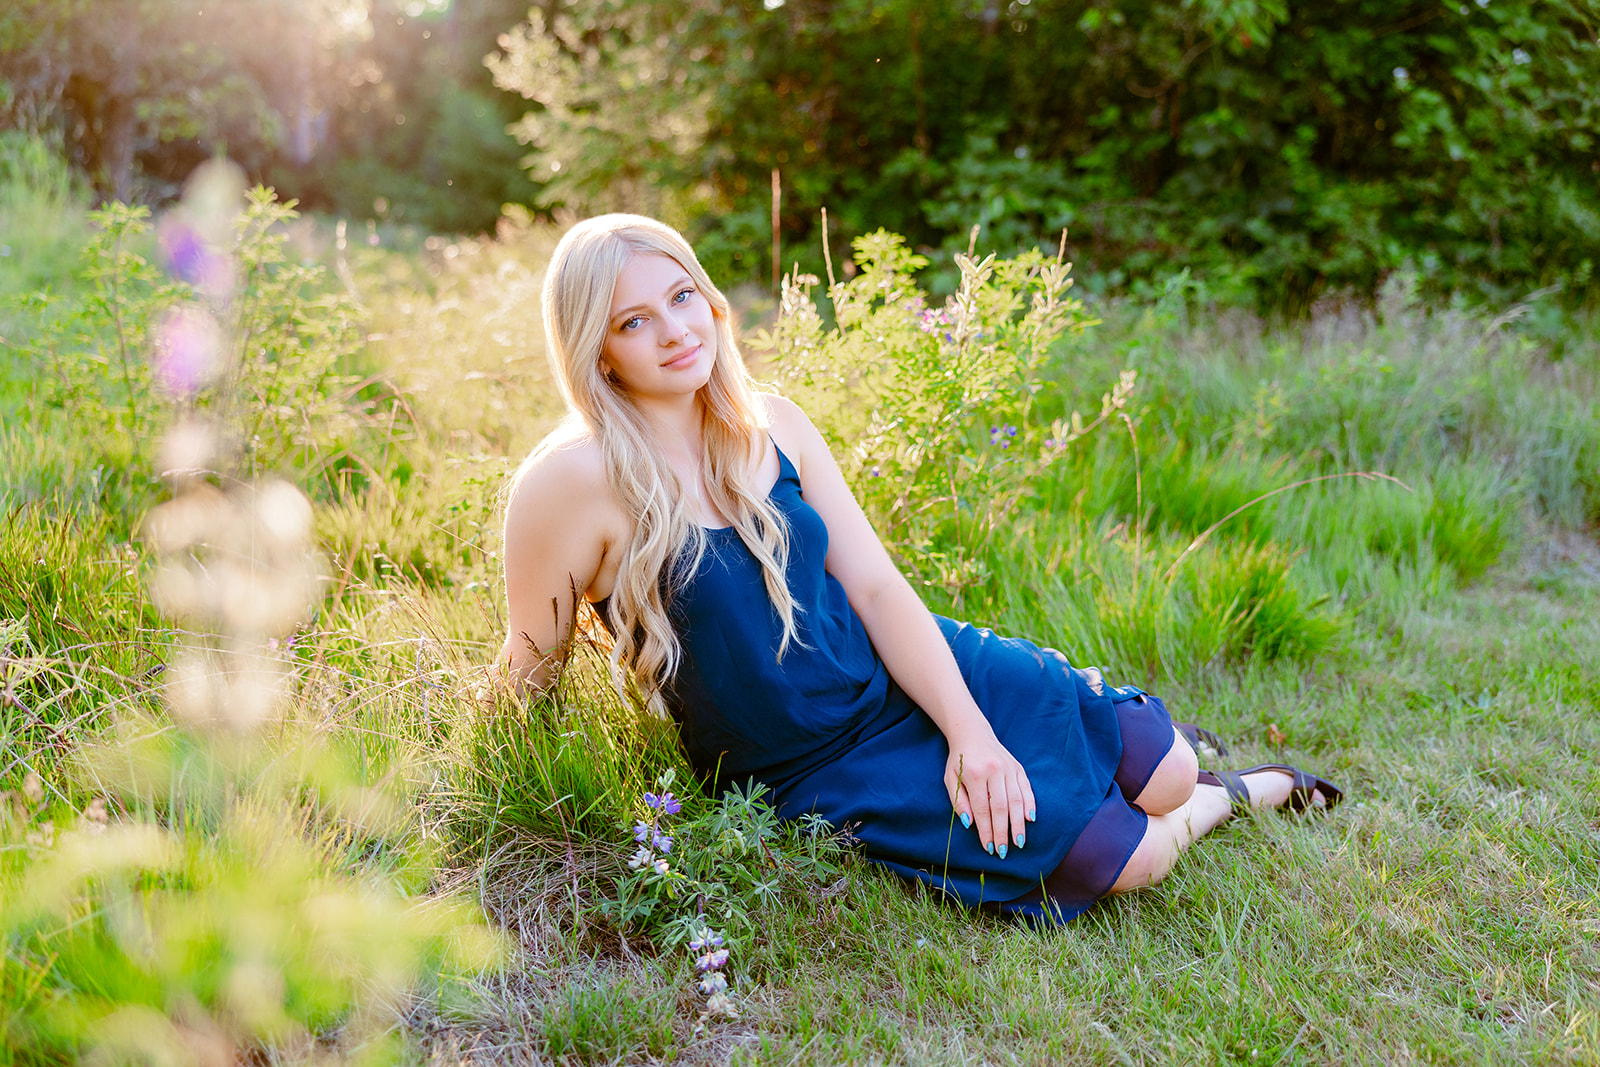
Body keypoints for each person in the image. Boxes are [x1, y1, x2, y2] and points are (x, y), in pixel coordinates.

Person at [499, 214, 1342, 923]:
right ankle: (1239, 792)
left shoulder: (773, 424)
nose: (677, 330)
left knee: (1168, 770)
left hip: (900, 669)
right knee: (1132, 857)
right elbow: (529, 664)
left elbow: (873, 587)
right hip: (813, 764)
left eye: (682, 296)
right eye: (634, 320)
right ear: (597, 350)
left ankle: (1159, 754)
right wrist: (479, 781)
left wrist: (971, 734)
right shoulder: (570, 485)